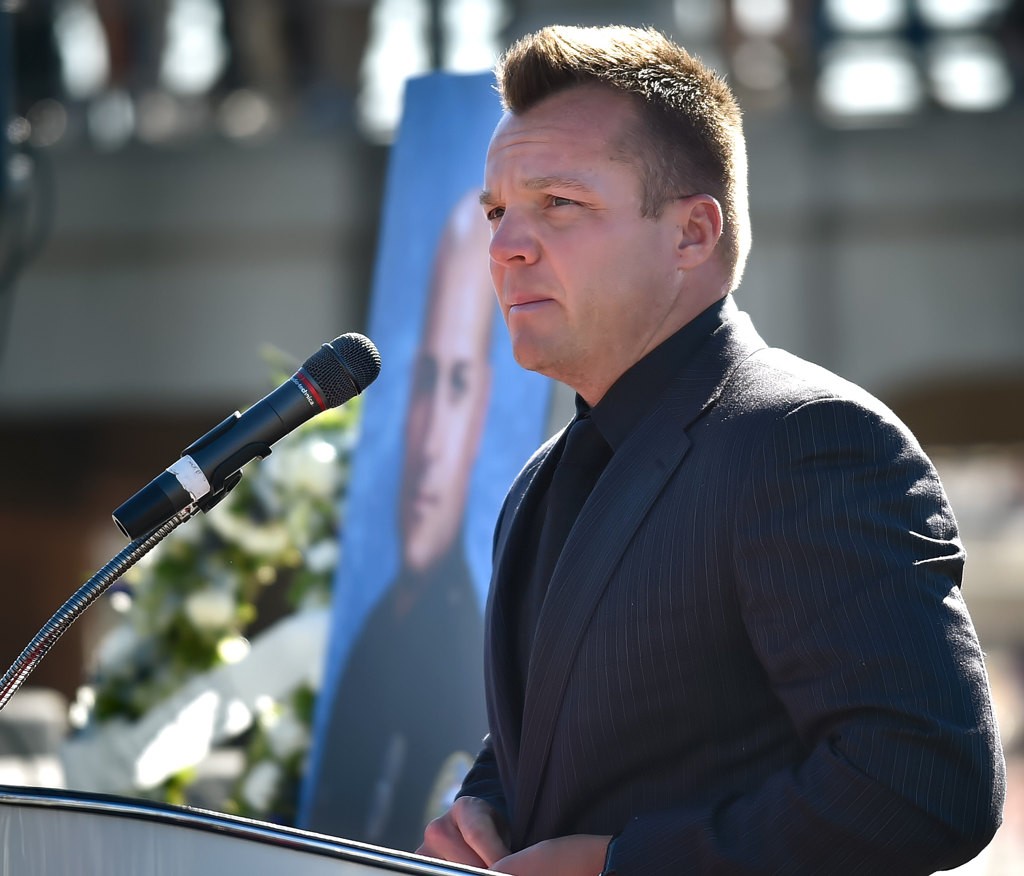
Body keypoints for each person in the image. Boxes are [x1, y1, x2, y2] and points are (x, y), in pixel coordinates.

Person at [415, 24, 1005, 876]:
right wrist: (484, 807)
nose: (506, 246)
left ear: (692, 234)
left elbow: (922, 781)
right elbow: (572, 737)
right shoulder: (543, 480)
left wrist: (624, 864)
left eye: (559, 204)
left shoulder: (809, 441)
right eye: (498, 210)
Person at [305, 190, 493, 850]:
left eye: (460, 385)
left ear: (485, 411)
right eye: (424, 382)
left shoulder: (481, 646)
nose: (431, 441)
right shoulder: (373, 629)